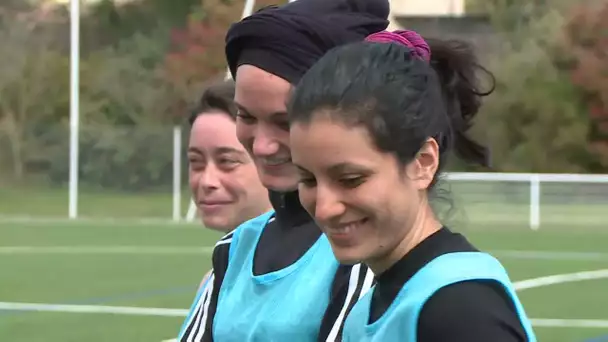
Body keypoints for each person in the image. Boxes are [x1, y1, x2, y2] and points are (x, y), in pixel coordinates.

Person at [288, 30, 538, 341]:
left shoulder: (459, 308)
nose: (325, 209)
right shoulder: (369, 307)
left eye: (351, 179)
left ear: (422, 162)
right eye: (308, 179)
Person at [181, 1, 390, 341]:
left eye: (284, 121)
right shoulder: (234, 248)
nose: (261, 146)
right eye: (246, 116)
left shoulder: (365, 251)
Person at [177, 80, 271, 341]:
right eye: (195, 162)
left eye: (227, 162)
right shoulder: (215, 278)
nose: (207, 181)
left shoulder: (327, 272)